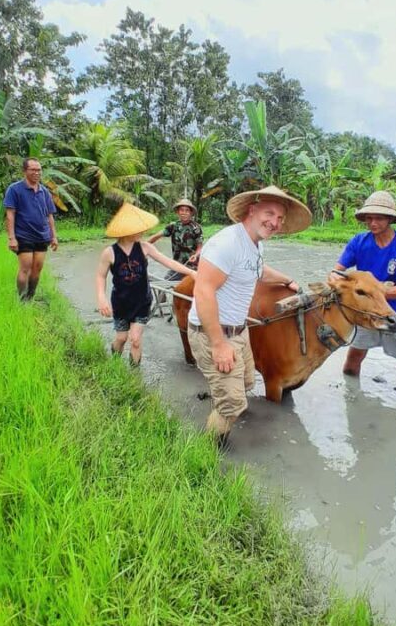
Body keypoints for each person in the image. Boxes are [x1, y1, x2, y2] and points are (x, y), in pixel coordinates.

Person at [187, 185, 312, 442]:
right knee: (233, 404)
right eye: (270, 213)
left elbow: (259, 270)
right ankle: (209, 452)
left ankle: (221, 397)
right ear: (252, 210)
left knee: (245, 384)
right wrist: (219, 344)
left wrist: (287, 279)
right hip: (214, 333)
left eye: (280, 218)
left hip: (239, 330)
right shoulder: (227, 243)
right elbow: (203, 292)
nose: (275, 222)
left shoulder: (254, 244)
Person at [334, 190, 396, 393]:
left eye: (379, 218)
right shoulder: (358, 242)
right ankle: (352, 398)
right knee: (352, 361)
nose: (373, 223)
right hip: (365, 311)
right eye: (369, 218)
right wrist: (336, 281)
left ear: (390, 219)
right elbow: (336, 271)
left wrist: (367, 290)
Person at [96, 202, 196, 368]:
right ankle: (113, 365)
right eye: (138, 228)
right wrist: (101, 298)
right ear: (126, 230)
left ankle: (134, 377)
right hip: (120, 302)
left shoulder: (145, 247)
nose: (143, 232)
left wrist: (192, 272)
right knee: (121, 338)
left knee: (135, 340)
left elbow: (169, 262)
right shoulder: (109, 253)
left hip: (142, 301)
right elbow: (100, 276)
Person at [4, 158, 58, 301]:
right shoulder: (14, 189)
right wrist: (12, 238)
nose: (37, 172)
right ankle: (22, 300)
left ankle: (30, 297)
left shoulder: (44, 191)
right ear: (25, 171)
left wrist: (54, 236)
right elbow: (10, 215)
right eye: (33, 169)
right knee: (25, 268)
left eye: (39, 170)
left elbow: (50, 216)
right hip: (23, 235)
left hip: (42, 236)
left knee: (37, 269)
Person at [147, 198, 203, 281]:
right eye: (182, 210)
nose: (184, 213)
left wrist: (196, 255)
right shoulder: (173, 226)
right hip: (177, 265)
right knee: (165, 284)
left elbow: (200, 247)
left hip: (192, 266)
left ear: (191, 213)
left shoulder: (196, 228)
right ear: (177, 212)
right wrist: (144, 246)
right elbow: (157, 236)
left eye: (187, 210)